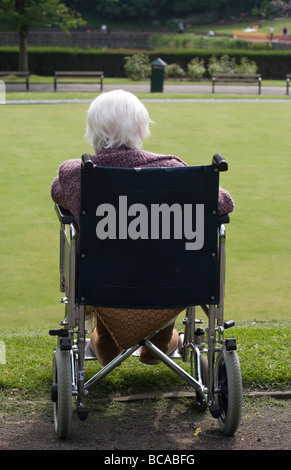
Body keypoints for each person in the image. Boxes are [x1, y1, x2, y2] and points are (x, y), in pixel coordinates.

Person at [51, 90, 234, 366]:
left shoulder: (74, 174)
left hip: (105, 286)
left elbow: (57, 192)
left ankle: (109, 341)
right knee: (160, 262)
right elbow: (224, 203)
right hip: (169, 285)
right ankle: (159, 341)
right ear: (140, 127)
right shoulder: (173, 169)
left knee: (111, 280)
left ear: (93, 129)